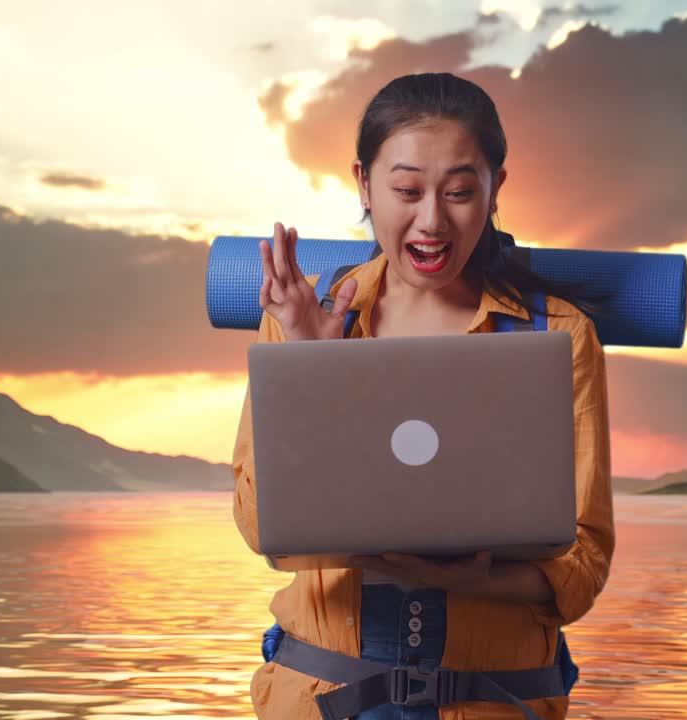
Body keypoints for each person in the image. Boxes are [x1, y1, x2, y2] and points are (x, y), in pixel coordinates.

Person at [232, 72, 614, 720]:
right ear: (363, 184)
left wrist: (483, 582)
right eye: (407, 190)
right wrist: (312, 364)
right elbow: (259, 525)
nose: (432, 220)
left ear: (496, 189)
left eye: (461, 191)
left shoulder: (559, 336)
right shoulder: (301, 314)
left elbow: (584, 559)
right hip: (322, 700)